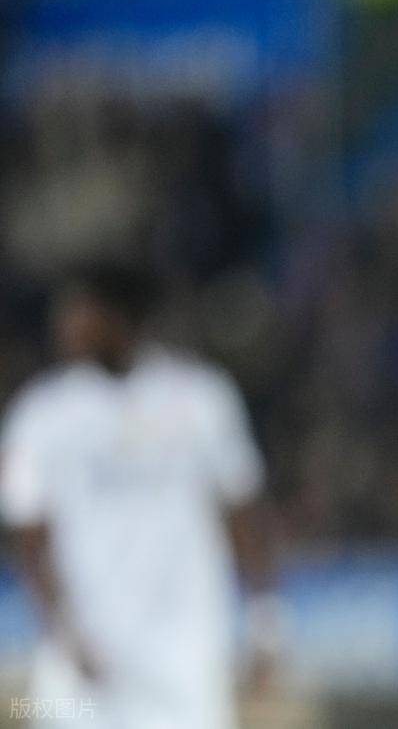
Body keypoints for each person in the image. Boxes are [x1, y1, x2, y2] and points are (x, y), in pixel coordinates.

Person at [0, 264, 282, 729]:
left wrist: (265, 622)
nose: (65, 325)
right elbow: (29, 538)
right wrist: (64, 632)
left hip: (184, 652)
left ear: (119, 318)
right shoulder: (41, 415)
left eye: (79, 312)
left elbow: (244, 510)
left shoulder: (201, 400)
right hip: (86, 659)